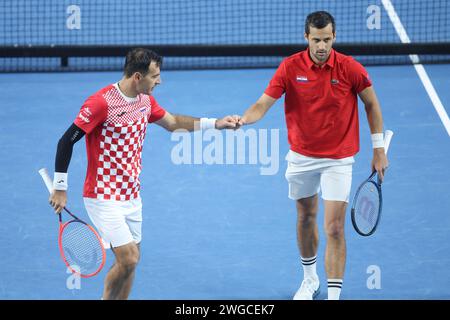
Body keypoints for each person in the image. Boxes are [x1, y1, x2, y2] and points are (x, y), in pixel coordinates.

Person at [48, 48, 239, 300]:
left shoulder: (145, 101)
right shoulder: (101, 103)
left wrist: (215, 123)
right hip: (102, 195)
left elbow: (173, 123)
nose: (159, 81)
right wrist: (61, 187)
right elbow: (66, 141)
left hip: (131, 194)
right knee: (129, 258)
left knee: (131, 264)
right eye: (155, 76)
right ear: (137, 76)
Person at [237, 11, 388, 300]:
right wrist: (245, 119)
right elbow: (262, 103)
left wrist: (378, 148)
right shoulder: (289, 67)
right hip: (301, 156)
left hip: (339, 158)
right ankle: (310, 280)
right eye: (316, 39)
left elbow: (371, 104)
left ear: (334, 37)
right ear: (306, 37)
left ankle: (334, 295)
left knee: (334, 227)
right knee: (306, 217)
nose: (321, 46)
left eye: (327, 40)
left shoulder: (350, 68)